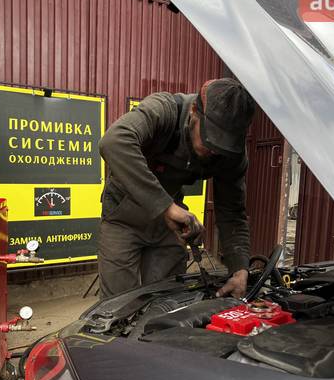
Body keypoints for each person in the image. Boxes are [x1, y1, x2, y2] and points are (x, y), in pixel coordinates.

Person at [98, 78, 255, 299]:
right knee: (118, 306)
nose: (215, 152)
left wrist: (240, 270)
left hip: (167, 227)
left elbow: (232, 213)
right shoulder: (164, 110)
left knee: (167, 302)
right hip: (124, 220)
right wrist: (167, 207)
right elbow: (114, 142)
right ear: (194, 111)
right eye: (210, 140)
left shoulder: (231, 156)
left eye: (223, 146)